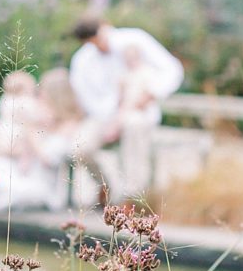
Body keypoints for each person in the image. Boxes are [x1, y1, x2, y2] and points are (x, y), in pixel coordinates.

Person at [69, 20, 184, 196]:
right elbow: (84, 96)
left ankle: (133, 197)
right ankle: (105, 188)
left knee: (134, 127)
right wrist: (109, 121)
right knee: (79, 147)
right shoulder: (83, 60)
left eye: (99, 39)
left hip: (138, 110)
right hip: (103, 116)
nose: (99, 45)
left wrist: (151, 93)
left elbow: (172, 69)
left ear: (104, 28)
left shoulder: (135, 39)